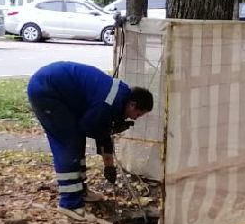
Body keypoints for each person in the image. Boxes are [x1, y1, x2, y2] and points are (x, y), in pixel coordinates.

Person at [26, 62, 153, 211]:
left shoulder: (119, 96)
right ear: (132, 104)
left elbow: (101, 128)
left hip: (59, 90)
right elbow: (89, 127)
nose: (134, 119)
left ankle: (80, 191)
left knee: (77, 139)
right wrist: (108, 131)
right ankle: (70, 204)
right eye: (137, 114)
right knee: (69, 142)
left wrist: (109, 165)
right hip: (47, 90)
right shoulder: (109, 102)